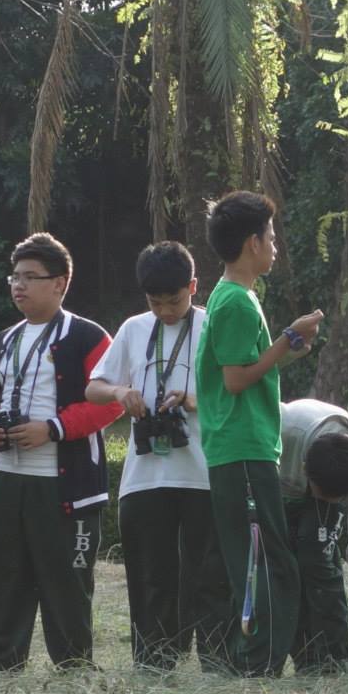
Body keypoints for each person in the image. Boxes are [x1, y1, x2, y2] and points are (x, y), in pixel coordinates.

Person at [0, 233, 123, 671]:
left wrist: (53, 428)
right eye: (14, 277)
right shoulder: (3, 339)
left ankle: (74, 667)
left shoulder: (89, 336)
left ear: (61, 283)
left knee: (67, 580)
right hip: (2, 474)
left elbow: (109, 402)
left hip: (63, 483)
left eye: (31, 277)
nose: (19, 285)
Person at [196, 190, 324, 677]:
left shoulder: (235, 297)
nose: (276, 246)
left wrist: (286, 350)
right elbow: (235, 378)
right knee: (264, 563)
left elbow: (249, 367)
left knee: (260, 557)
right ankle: (255, 663)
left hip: (247, 445)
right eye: (271, 238)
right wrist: (288, 339)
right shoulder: (234, 302)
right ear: (252, 243)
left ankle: (252, 660)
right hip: (241, 447)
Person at [85, 241, 226, 671]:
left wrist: (191, 400)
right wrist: (121, 393)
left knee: (208, 576)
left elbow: (233, 392)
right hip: (145, 476)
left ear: (194, 287)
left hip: (202, 472)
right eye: (156, 302)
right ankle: (154, 663)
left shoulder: (213, 326)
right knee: (150, 576)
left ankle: (218, 662)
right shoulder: (132, 329)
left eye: (174, 300)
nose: (165, 311)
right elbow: (94, 387)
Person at [279, 398, 348, 671]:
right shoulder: (282, 431)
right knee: (287, 565)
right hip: (281, 482)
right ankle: (305, 657)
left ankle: (335, 659)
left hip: (315, 465)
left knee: (317, 556)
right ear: (305, 471)